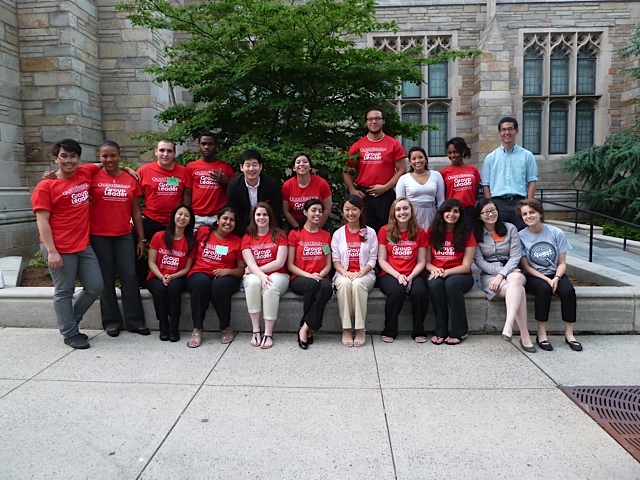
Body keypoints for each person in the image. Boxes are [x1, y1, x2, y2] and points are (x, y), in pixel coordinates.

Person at [31, 139, 104, 349]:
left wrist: (126, 168)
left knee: (95, 286)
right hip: (58, 247)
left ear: (79, 159)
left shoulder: (84, 173)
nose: (69, 161)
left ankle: (71, 320)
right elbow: (42, 220)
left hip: (83, 244)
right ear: (56, 158)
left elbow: (103, 164)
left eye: (73, 156)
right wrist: (52, 251)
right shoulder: (46, 185)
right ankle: (70, 333)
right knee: (64, 291)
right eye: (64, 156)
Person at [89, 140, 149, 337]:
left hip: (124, 235)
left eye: (113, 155)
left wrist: (141, 239)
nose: (109, 159)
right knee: (106, 279)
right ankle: (112, 321)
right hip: (99, 236)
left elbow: (136, 211)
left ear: (119, 155)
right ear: (99, 157)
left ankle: (135, 321)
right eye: (104, 156)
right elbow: (72, 172)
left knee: (129, 277)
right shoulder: (92, 176)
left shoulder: (130, 179)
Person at [517, 199, 582, 352]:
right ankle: (541, 334)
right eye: (524, 214)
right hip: (535, 276)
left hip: (555, 273)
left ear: (540, 213)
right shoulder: (520, 236)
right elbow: (526, 266)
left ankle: (569, 333)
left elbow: (562, 263)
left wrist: (557, 278)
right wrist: (547, 280)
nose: (528, 216)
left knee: (568, 291)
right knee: (544, 289)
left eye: (532, 212)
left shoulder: (555, 233)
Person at [473, 199, 535, 352]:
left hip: (512, 269)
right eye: (486, 212)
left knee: (515, 279)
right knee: (517, 290)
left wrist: (503, 273)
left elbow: (515, 256)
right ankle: (524, 335)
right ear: (480, 216)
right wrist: (499, 274)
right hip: (489, 274)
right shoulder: (476, 233)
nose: (490, 214)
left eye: (493, 210)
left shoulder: (510, 228)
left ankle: (508, 326)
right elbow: (480, 261)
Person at [186, 207, 245, 347]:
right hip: (200, 271)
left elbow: (241, 270)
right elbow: (191, 253)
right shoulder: (203, 232)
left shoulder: (237, 241)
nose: (228, 222)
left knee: (219, 286)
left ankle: (225, 326)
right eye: (225, 218)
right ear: (218, 220)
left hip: (227, 276)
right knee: (201, 284)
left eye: (232, 220)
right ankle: (197, 328)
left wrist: (227, 272)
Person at [343, 108, 407, 232]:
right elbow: (346, 170)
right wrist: (352, 190)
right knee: (364, 231)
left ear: (383, 121)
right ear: (366, 123)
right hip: (363, 195)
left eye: (377, 118)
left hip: (386, 194)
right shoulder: (357, 146)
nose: (374, 121)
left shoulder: (393, 144)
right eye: (370, 119)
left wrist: (386, 187)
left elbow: (402, 169)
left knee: (387, 230)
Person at [136, 139, 188, 286]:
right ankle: (141, 282)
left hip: (174, 223)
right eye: (162, 150)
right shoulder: (144, 171)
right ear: (156, 152)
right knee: (138, 248)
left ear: (174, 153)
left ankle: (175, 280)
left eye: (169, 151)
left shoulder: (183, 172)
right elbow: (134, 195)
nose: (165, 154)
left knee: (174, 254)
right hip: (150, 219)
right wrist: (134, 216)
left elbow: (187, 195)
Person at [377, 197, 429, 343]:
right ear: (393, 213)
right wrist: (398, 275)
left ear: (411, 211)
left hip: (414, 272)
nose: (402, 212)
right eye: (398, 209)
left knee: (420, 293)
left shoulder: (419, 232)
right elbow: (381, 260)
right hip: (390, 273)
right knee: (396, 292)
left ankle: (419, 330)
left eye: (405, 208)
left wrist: (411, 277)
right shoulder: (384, 231)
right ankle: (390, 330)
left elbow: (422, 261)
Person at [426, 198, 477, 346]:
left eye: (456, 211)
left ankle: (459, 331)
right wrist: (435, 270)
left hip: (461, 275)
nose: (452, 214)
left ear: (461, 214)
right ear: (441, 213)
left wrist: (446, 272)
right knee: (435, 285)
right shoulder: (432, 233)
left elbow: (467, 266)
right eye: (448, 210)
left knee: (451, 284)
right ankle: (440, 330)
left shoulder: (467, 234)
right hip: (437, 272)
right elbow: (427, 262)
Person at [331, 195, 378, 347]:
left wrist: (361, 272)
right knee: (344, 284)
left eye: (354, 209)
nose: (350, 213)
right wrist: (344, 273)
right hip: (343, 273)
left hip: (365, 274)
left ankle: (359, 328)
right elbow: (335, 260)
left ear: (361, 210)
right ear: (343, 211)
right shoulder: (338, 234)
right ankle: (346, 328)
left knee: (357, 284)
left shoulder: (370, 233)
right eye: (347, 209)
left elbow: (373, 258)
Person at [241, 203, 289, 349]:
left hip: (279, 275)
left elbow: (279, 262)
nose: (261, 218)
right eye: (258, 215)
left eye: (265, 215)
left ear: (270, 217)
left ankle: (268, 333)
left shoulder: (279, 235)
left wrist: (259, 273)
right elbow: (249, 262)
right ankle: (256, 329)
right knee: (253, 282)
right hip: (255, 276)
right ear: (253, 217)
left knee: (270, 286)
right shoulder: (247, 237)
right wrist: (261, 275)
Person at [147, 204, 196, 342]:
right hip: (157, 275)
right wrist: (162, 277)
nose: (182, 218)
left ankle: (174, 327)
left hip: (178, 276)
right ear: (174, 215)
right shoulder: (159, 236)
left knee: (174, 289)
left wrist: (172, 276)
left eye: (186, 216)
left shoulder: (190, 241)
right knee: (159, 289)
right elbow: (151, 262)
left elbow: (187, 268)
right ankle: (163, 325)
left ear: (190, 220)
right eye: (180, 214)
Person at [287, 199, 332, 350]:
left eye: (320, 211)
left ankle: (305, 327)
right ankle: (309, 327)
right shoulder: (295, 234)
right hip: (300, 277)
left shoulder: (325, 236)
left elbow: (328, 263)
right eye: (314, 210)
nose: (317, 214)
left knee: (326, 287)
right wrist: (309, 275)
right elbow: (290, 265)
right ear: (305, 212)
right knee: (312, 285)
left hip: (320, 275)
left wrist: (321, 273)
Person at [481, 117, 538, 230]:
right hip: (498, 204)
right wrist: (490, 205)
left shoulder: (527, 156)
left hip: (519, 202)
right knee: (499, 236)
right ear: (499, 133)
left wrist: (528, 204)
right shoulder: (490, 158)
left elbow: (531, 181)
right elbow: (485, 184)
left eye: (510, 129)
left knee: (523, 234)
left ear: (516, 131)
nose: (507, 132)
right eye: (503, 129)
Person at [183, 131, 235, 230]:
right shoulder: (191, 167)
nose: (206, 147)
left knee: (216, 244)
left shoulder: (225, 167)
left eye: (210, 144)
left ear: (215, 146)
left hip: (218, 216)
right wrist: (187, 214)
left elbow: (234, 193)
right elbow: (187, 193)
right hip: (196, 216)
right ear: (199, 146)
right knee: (194, 244)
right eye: (203, 144)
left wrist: (226, 182)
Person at [226, 149, 283, 237]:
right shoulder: (234, 185)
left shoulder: (272, 184)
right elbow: (234, 211)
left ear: (260, 166)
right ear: (241, 167)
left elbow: (275, 210)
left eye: (254, 165)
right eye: (247, 165)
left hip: (267, 227)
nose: (251, 169)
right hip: (242, 229)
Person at [395, 146, 444, 231]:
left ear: (425, 159)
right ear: (410, 162)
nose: (417, 161)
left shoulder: (436, 175)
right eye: (414, 158)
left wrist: (441, 218)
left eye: (420, 157)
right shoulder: (403, 179)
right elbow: (399, 203)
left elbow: (441, 201)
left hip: (432, 213)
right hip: (411, 215)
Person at [281, 152, 332, 229]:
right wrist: (298, 229)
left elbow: (327, 209)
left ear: (310, 167)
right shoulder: (287, 185)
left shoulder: (322, 183)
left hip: (318, 226)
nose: (302, 164)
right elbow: (286, 211)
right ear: (294, 168)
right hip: (296, 227)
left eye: (305, 162)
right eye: (298, 162)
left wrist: (317, 228)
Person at [440, 137, 481, 228]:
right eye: (449, 153)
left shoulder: (473, 170)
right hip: (452, 212)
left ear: (462, 151)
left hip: (469, 211)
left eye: (455, 152)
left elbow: (476, 190)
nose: (452, 155)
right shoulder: (443, 172)